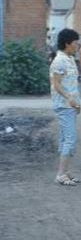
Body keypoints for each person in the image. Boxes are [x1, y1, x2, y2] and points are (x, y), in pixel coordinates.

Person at [50, 28, 81, 186]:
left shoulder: (69, 59)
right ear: (67, 43)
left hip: (70, 106)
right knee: (70, 139)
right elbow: (56, 84)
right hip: (63, 106)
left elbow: (72, 84)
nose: (78, 45)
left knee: (65, 139)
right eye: (76, 42)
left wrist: (77, 103)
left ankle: (66, 172)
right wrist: (69, 98)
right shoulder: (60, 60)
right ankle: (60, 174)